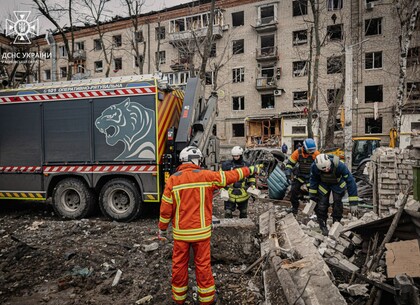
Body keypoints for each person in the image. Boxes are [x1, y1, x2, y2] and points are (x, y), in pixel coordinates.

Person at [158, 146, 262, 305]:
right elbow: (231, 176)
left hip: (181, 235)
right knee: (203, 266)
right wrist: (250, 169)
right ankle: (206, 300)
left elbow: (166, 209)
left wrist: (162, 229)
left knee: (179, 265)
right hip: (201, 234)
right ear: (194, 160)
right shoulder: (206, 176)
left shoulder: (173, 179)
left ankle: (178, 300)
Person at [309, 153, 359, 236]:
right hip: (324, 184)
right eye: (323, 169)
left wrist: (353, 203)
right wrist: (312, 197)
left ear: (329, 163)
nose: (326, 170)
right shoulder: (314, 167)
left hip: (337, 184)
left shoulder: (339, 165)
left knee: (337, 202)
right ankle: (322, 224)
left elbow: (351, 182)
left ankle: (336, 222)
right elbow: (313, 181)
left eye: (327, 168)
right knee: (322, 203)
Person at [284, 138, 320, 215]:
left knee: (314, 194)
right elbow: (290, 164)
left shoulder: (316, 154)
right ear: (304, 147)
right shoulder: (297, 153)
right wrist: (288, 174)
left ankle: (316, 212)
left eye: (312, 150)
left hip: (311, 177)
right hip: (300, 176)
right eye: (309, 150)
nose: (311, 152)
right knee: (293, 191)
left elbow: (321, 166)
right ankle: (294, 209)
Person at [221, 146, 256, 218]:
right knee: (228, 212)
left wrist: (252, 185)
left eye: (237, 156)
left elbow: (251, 177)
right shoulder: (226, 165)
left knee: (243, 212)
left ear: (241, 155)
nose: (235, 157)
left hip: (243, 193)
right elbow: (221, 177)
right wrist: (223, 188)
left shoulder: (247, 165)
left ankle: (244, 226)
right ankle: (227, 227)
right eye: (234, 156)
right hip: (230, 193)